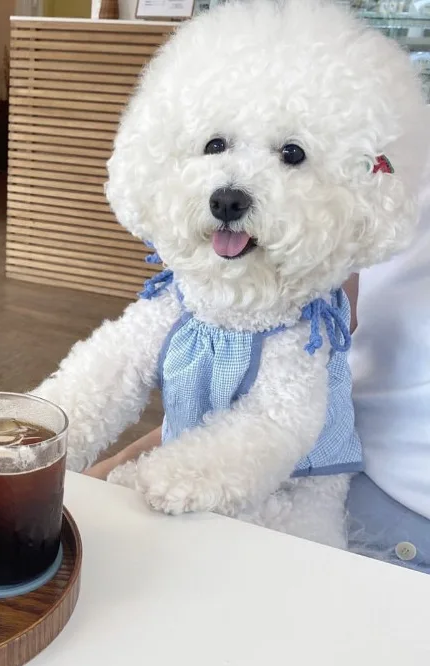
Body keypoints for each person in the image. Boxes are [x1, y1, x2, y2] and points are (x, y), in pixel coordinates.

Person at [85, 181, 430, 573]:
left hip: (322, 495)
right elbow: (332, 345)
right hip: (340, 475)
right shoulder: (388, 162)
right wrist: (131, 456)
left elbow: (285, 405)